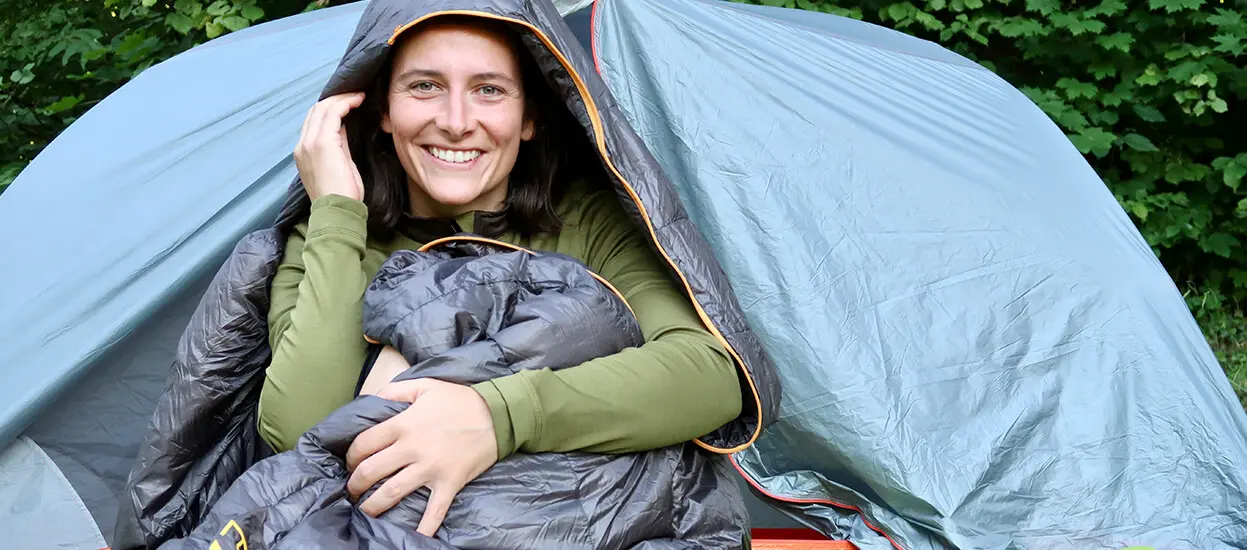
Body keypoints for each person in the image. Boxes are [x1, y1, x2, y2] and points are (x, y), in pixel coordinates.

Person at [258, 14, 744, 538]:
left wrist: (494, 417)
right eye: (425, 86)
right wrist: (335, 210)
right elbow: (299, 430)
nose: (457, 121)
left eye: (489, 90)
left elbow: (709, 374)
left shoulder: (587, 220)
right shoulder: (335, 231)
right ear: (383, 110)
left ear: (529, 116)